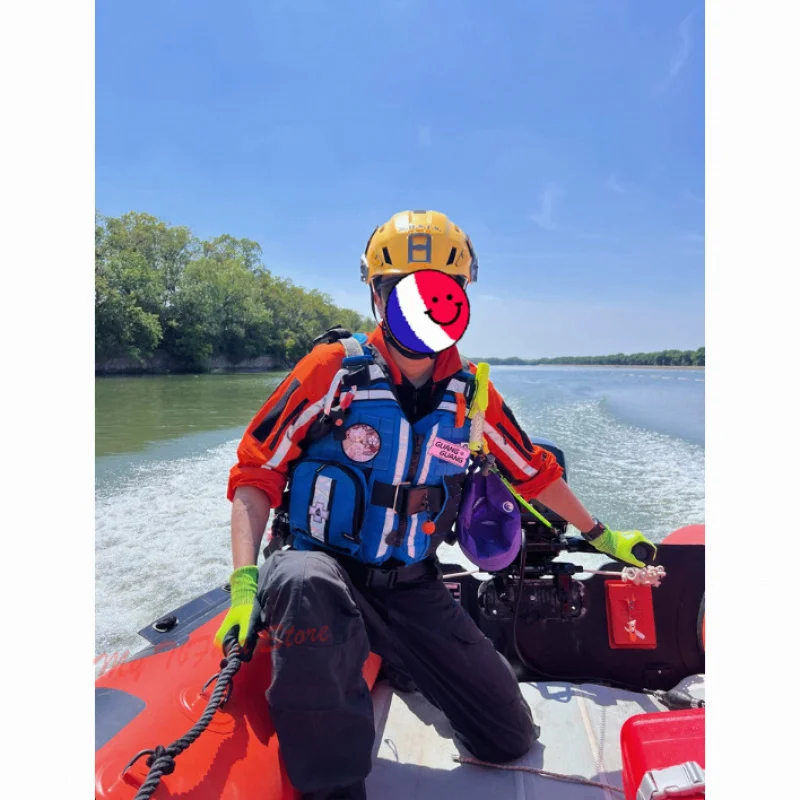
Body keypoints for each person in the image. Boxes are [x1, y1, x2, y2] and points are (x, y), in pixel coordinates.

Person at [215, 210, 657, 800]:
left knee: (508, 737)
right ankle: (333, 788)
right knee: (301, 580)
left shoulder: (471, 392)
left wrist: (604, 536)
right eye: (399, 289)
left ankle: (395, 655)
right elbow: (256, 472)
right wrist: (245, 583)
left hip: (411, 585)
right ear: (376, 296)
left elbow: (532, 471)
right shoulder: (331, 370)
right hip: (323, 571)